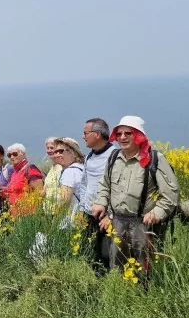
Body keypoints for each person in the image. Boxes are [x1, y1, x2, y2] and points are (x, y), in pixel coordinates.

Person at [91, 116, 180, 270]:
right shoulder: (114, 158)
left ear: (138, 136)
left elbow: (171, 193)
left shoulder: (154, 159)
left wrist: (157, 213)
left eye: (128, 133)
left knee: (144, 268)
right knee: (117, 267)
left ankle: (145, 294)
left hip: (143, 225)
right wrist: (101, 202)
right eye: (119, 134)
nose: (122, 137)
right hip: (117, 222)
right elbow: (104, 184)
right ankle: (119, 292)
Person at [82, 119, 117, 275]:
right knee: (91, 253)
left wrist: (110, 214)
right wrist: (83, 207)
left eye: (85, 133)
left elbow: (117, 188)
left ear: (97, 134)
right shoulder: (89, 157)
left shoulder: (114, 155)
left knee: (107, 256)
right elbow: (85, 183)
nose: (83, 137)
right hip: (89, 214)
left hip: (106, 216)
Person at [5, 143, 44, 216]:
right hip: (16, 216)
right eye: (9, 155)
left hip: (29, 216)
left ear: (23, 154)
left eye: (15, 154)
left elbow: (40, 193)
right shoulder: (14, 173)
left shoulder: (30, 169)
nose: (12, 157)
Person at [53, 138, 88, 217]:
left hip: (70, 222)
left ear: (73, 153)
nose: (57, 155)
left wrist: (55, 218)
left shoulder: (70, 172)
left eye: (61, 151)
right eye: (56, 152)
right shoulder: (81, 168)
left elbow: (64, 200)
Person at [42, 137, 63, 213]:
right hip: (48, 209)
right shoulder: (52, 168)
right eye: (48, 148)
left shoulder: (62, 167)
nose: (49, 150)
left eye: (52, 148)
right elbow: (45, 189)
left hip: (58, 210)